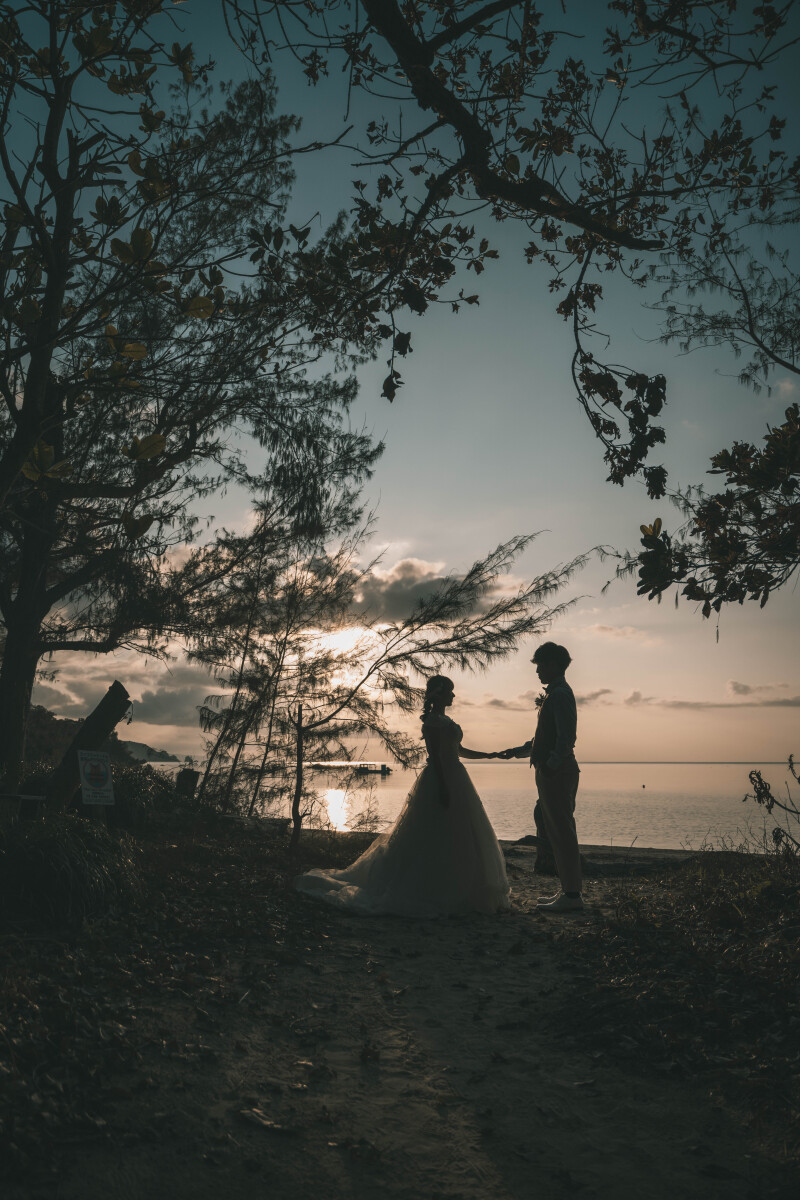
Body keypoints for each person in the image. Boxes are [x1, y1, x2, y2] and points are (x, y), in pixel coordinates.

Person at [294, 676, 510, 917]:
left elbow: (459, 751)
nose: (453, 696)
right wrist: (443, 787)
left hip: (458, 777)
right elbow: (436, 757)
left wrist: (490, 755)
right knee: (434, 833)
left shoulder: (447, 720)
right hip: (442, 778)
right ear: (438, 694)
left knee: (462, 833)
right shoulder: (432, 722)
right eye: (449, 691)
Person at [500, 642, 583, 912]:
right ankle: (568, 891)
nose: (537, 671)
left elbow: (566, 738)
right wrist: (519, 751)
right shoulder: (555, 694)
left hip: (557, 773)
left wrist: (550, 766)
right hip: (553, 771)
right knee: (558, 833)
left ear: (554, 665)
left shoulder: (559, 694)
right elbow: (544, 739)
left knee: (562, 833)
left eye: (541, 665)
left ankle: (572, 896)